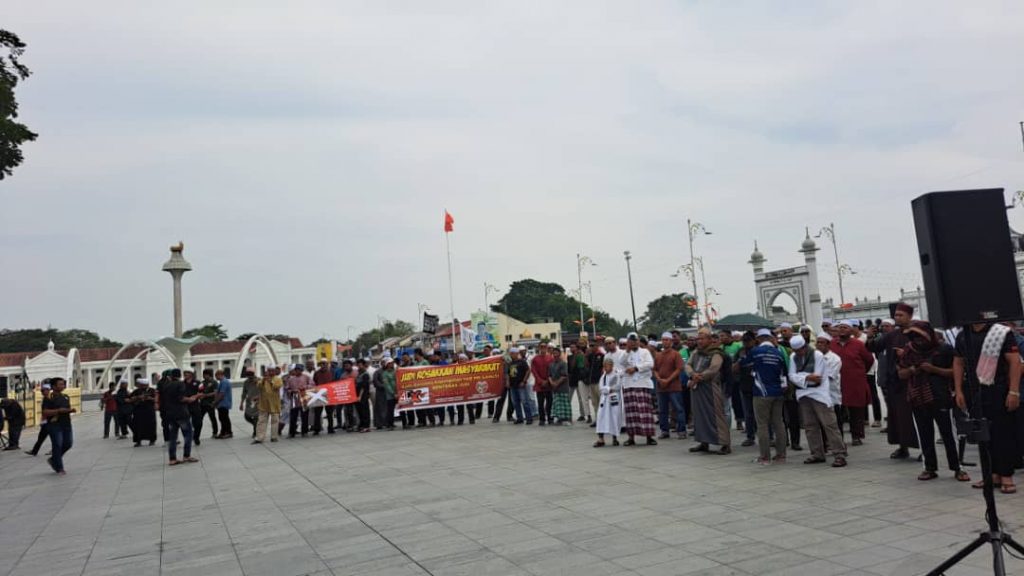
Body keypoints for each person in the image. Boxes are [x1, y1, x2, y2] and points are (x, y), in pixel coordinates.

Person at [898, 320, 969, 482]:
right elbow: (901, 373)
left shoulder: (944, 349)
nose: (918, 340)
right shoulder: (909, 351)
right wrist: (912, 370)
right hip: (917, 398)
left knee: (948, 434)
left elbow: (956, 371)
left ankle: (958, 467)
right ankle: (929, 468)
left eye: (920, 336)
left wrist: (934, 370)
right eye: (914, 337)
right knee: (924, 434)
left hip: (941, 397)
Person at [954, 322, 1019, 494]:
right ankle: (991, 474)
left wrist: (1014, 391)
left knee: (1002, 434)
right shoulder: (963, 334)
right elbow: (958, 363)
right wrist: (958, 390)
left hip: (998, 389)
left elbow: (1014, 362)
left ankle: (1006, 475)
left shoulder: (1000, 332)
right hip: (974, 392)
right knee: (983, 435)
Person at [867, 303, 917, 459]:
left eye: (901, 315)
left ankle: (924, 449)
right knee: (898, 417)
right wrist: (870, 336)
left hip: (915, 381)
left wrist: (907, 355)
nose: (898, 318)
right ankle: (903, 448)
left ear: (910, 316)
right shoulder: (891, 336)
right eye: (896, 315)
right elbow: (873, 347)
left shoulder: (917, 333)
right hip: (895, 383)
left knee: (917, 418)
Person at [788, 335, 847, 467]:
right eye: (795, 351)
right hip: (803, 394)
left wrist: (801, 377)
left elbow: (818, 378)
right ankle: (817, 453)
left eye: (799, 350)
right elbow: (791, 375)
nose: (798, 353)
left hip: (820, 394)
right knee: (810, 426)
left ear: (804, 347)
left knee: (829, 425)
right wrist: (807, 377)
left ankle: (839, 454)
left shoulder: (817, 355)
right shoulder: (793, 357)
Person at [739, 329, 788, 465]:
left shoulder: (755, 352)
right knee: (779, 424)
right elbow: (784, 374)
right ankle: (781, 455)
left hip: (761, 393)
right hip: (777, 392)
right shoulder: (778, 353)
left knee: (762, 425)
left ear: (759, 339)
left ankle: (765, 457)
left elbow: (743, 364)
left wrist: (743, 356)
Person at [685, 328, 730, 454]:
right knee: (699, 415)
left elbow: (714, 369)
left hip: (711, 387)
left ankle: (725, 443)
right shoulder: (696, 352)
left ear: (710, 339)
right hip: (697, 388)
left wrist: (699, 377)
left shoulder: (716, 353)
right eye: (698, 339)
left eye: (702, 338)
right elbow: (688, 365)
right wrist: (692, 374)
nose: (699, 341)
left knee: (717, 415)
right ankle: (704, 442)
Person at [832, 320, 875, 447]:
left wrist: (859, 372)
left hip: (855, 382)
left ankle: (856, 436)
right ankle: (838, 438)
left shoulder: (858, 344)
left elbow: (869, 360)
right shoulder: (832, 344)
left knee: (856, 410)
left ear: (851, 330)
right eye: (840, 327)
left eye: (845, 327)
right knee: (837, 412)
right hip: (837, 383)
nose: (842, 329)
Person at [622, 333, 657, 446]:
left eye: (635, 340)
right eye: (631, 341)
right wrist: (627, 350)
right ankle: (631, 438)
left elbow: (650, 364)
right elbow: (622, 362)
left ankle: (649, 437)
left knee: (645, 411)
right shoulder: (625, 353)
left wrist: (636, 368)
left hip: (643, 385)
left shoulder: (645, 351)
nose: (633, 343)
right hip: (629, 385)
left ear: (638, 341)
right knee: (631, 413)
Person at [161, 368, 200, 466]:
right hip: (181, 413)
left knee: (173, 437)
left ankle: (172, 459)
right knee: (188, 434)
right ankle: (186, 456)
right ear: (179, 375)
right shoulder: (180, 384)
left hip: (170, 413)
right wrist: (190, 399)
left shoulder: (166, 385)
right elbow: (181, 398)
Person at [655, 332, 686, 440]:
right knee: (662, 410)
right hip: (661, 387)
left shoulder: (676, 354)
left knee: (678, 409)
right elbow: (654, 369)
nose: (665, 342)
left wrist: (668, 380)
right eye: (663, 340)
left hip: (674, 386)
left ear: (671, 341)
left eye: (667, 340)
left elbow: (679, 369)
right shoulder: (658, 355)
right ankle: (664, 431)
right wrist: (659, 379)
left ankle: (681, 430)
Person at [41, 377, 76, 475]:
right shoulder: (48, 398)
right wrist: (58, 411)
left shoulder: (66, 397)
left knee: (68, 443)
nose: (62, 386)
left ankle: (53, 459)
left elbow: (67, 409)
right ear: (53, 386)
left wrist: (70, 410)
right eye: (60, 384)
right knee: (57, 444)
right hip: (54, 425)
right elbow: (45, 412)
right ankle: (59, 467)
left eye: (63, 384)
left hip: (66, 423)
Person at [734, 332, 758, 447]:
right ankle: (750, 437)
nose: (746, 343)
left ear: (754, 340)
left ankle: (770, 436)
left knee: (761, 414)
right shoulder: (740, 352)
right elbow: (733, 369)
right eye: (744, 340)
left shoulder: (758, 351)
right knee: (748, 414)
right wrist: (741, 359)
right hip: (745, 386)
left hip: (758, 386)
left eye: (748, 340)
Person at [594, 358, 623, 447]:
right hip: (604, 400)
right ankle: (601, 439)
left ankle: (615, 438)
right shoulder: (603, 376)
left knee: (614, 417)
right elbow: (601, 388)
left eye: (607, 366)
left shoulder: (616, 375)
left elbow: (618, 386)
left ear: (611, 365)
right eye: (604, 366)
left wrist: (608, 389)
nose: (605, 368)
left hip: (613, 399)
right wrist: (608, 389)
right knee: (600, 417)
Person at [253, 366, 283, 443]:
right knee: (261, 421)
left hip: (274, 404)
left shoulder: (278, 379)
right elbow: (258, 386)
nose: (271, 372)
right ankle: (259, 438)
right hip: (264, 404)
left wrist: (271, 381)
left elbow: (277, 386)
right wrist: (263, 380)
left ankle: (274, 437)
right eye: (269, 371)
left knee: (275, 421)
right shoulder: (263, 379)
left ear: (274, 371)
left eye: (272, 371)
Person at [127, 377, 158, 446]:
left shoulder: (152, 390)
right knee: (138, 426)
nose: (142, 386)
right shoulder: (136, 391)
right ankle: (138, 441)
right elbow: (129, 399)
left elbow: (156, 399)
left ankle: (152, 440)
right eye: (142, 385)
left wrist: (150, 398)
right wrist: (137, 397)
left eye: (144, 385)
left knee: (151, 426)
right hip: (139, 411)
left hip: (149, 411)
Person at [505, 347, 532, 424]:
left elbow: (528, 371)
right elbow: (508, 373)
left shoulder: (522, 361)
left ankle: (529, 418)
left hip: (520, 385)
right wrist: (507, 382)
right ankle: (519, 418)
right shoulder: (510, 363)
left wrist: (524, 381)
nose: (511, 355)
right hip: (513, 385)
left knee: (525, 402)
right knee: (515, 403)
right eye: (510, 354)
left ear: (517, 354)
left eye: (512, 353)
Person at [530, 342, 553, 425]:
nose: (543, 348)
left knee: (550, 402)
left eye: (544, 347)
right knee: (540, 403)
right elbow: (534, 371)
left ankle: (550, 417)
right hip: (539, 384)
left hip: (548, 383)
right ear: (539, 348)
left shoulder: (550, 358)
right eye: (541, 347)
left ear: (546, 348)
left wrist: (547, 380)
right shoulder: (535, 359)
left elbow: (552, 370)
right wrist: (540, 381)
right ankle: (542, 419)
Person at [25, 382, 52, 456]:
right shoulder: (45, 399)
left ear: (48, 390)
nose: (42, 392)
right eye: (42, 391)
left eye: (44, 390)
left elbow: (46, 411)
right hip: (47, 421)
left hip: (48, 421)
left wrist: (43, 420)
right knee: (41, 437)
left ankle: (35, 451)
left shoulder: (48, 399)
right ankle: (34, 451)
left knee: (51, 437)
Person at [286, 364, 312, 437]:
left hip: (304, 397)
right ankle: (292, 433)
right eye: (296, 370)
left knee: (305, 416)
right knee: (293, 416)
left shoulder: (306, 377)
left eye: (299, 370)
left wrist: (305, 387)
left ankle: (305, 432)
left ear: (302, 370)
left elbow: (312, 385)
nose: (298, 371)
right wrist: (290, 391)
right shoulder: (291, 379)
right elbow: (287, 388)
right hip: (294, 398)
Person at [569, 342, 592, 424]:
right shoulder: (572, 357)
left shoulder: (587, 356)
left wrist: (585, 356)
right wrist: (576, 355)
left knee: (584, 398)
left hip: (584, 378)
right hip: (576, 379)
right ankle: (586, 415)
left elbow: (586, 366)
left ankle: (585, 415)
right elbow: (572, 367)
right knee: (581, 398)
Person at [549, 347, 572, 426]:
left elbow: (564, 375)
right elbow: (549, 375)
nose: (555, 355)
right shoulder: (551, 364)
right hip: (555, 388)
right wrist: (552, 383)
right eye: (554, 353)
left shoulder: (563, 363)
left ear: (559, 354)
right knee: (557, 404)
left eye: (556, 353)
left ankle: (567, 418)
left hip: (563, 387)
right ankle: (559, 418)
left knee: (564, 403)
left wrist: (556, 383)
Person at [586, 341, 605, 427]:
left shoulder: (601, 355)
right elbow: (587, 366)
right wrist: (586, 355)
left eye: (593, 345)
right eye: (590, 345)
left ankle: (603, 419)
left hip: (598, 381)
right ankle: (597, 419)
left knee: (601, 401)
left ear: (597, 346)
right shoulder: (590, 356)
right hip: (591, 381)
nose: (591, 347)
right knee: (594, 402)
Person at [198, 369, 220, 440]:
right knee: (199, 419)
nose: (203, 376)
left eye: (204, 375)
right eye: (203, 375)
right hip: (202, 404)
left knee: (212, 418)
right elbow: (200, 391)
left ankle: (215, 433)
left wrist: (206, 396)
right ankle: (197, 434)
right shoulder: (202, 382)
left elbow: (216, 392)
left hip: (210, 403)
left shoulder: (214, 382)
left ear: (208, 375)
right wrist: (200, 396)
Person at [239, 370, 260, 438]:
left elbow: (264, 390)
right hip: (249, 402)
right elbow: (244, 393)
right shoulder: (246, 382)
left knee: (256, 417)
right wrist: (241, 403)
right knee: (247, 416)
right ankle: (256, 426)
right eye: (249, 377)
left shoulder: (259, 381)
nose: (250, 379)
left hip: (258, 402)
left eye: (251, 377)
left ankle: (255, 432)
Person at [214, 370, 233, 439]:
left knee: (224, 418)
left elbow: (221, 394)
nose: (216, 377)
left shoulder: (224, 382)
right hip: (222, 403)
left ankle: (228, 432)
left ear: (219, 375)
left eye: (216, 376)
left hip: (224, 403)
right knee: (222, 418)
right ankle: (223, 432)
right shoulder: (222, 382)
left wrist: (215, 402)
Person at [355, 359, 372, 433]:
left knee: (365, 411)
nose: (359, 366)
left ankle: (366, 426)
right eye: (358, 365)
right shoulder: (359, 374)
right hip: (358, 395)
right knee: (360, 411)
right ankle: (361, 425)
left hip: (363, 395)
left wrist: (360, 396)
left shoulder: (365, 374)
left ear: (364, 365)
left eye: (360, 365)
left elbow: (364, 387)